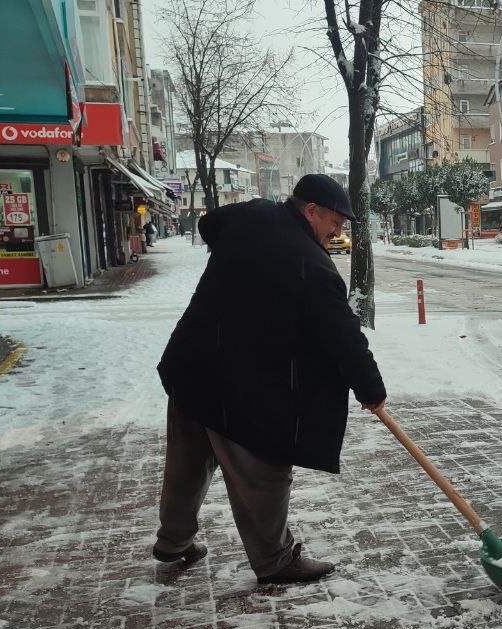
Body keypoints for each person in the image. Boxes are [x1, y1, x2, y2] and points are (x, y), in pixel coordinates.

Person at [153, 174, 387, 584]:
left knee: (186, 463)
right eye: (334, 222)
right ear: (310, 210)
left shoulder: (254, 218)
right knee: (262, 471)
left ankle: (173, 542)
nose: (336, 232)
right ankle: (275, 560)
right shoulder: (310, 263)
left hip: (190, 365)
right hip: (236, 382)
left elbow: (210, 224)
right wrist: (371, 388)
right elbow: (343, 335)